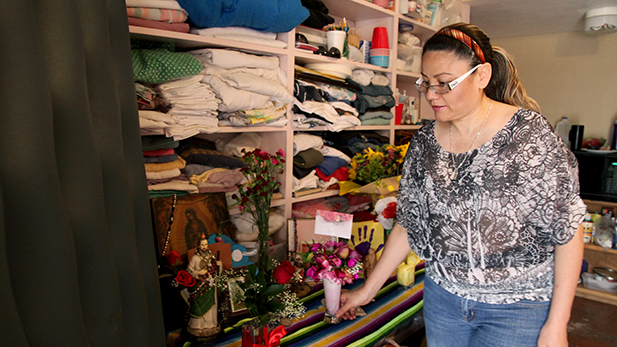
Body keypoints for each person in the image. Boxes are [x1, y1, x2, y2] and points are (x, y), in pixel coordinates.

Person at [336, 22, 586, 347]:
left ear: (481, 76)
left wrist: (558, 324)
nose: (430, 95)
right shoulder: (425, 142)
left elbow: (567, 228)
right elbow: (410, 224)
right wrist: (366, 291)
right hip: (445, 301)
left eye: (443, 84)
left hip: (517, 307)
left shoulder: (529, 137)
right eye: (425, 83)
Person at [186, 234, 222, 337]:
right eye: (202, 245)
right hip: (200, 286)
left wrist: (220, 265)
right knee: (199, 307)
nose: (204, 247)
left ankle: (211, 324)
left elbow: (216, 270)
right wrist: (198, 273)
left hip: (210, 285)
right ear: (198, 246)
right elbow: (188, 271)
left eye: (206, 244)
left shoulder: (211, 257)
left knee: (211, 307)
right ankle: (198, 326)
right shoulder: (195, 258)